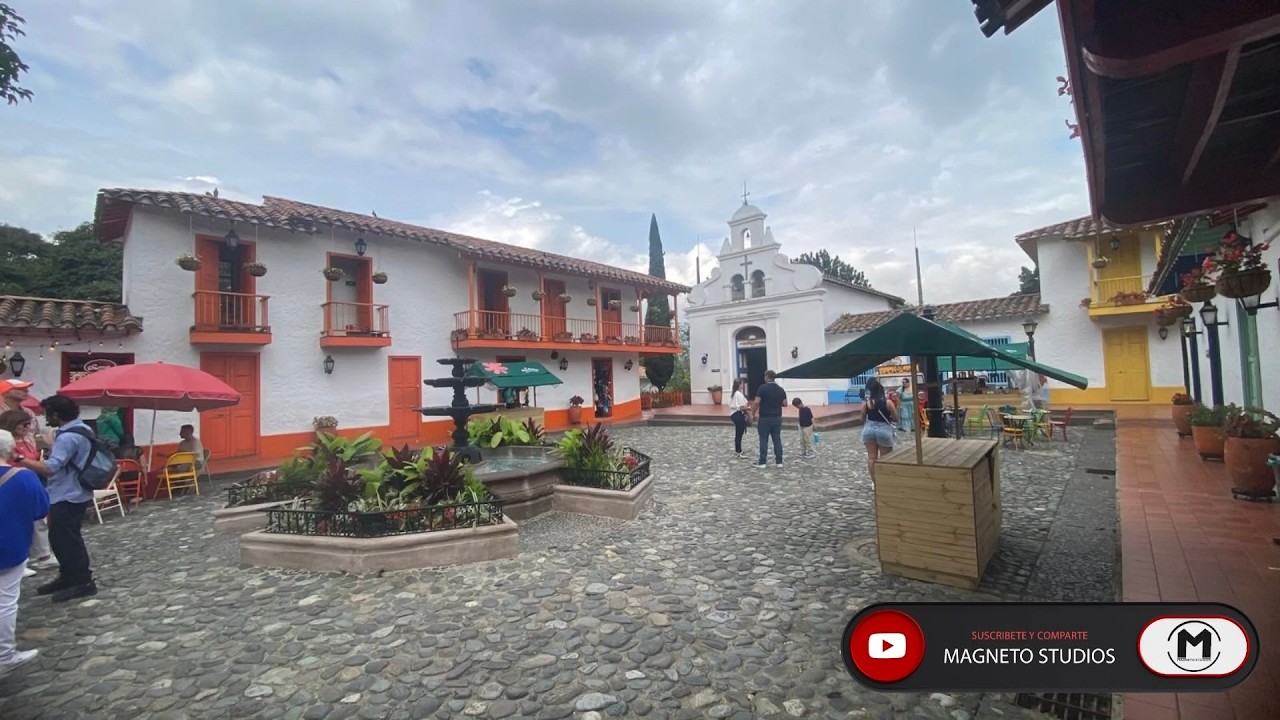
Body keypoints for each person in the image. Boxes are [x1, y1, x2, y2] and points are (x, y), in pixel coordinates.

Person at [16, 394, 97, 603]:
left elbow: (50, 468)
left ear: (56, 414)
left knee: (67, 538)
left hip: (68, 492)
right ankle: (69, 575)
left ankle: (82, 581)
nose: (45, 418)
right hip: (72, 491)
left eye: (47, 414)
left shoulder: (68, 437)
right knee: (60, 538)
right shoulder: (80, 429)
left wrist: (19, 459)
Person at [0, 429, 49, 677]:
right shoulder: (23, 477)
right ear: (10, 450)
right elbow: (41, 509)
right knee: (6, 602)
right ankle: (4, 656)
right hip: (9, 546)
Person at [0, 409, 56, 577]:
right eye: (23, 424)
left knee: (37, 522)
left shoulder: (27, 441)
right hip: (14, 482)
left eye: (29, 424)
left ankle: (41, 553)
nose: (27, 427)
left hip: (30, 480)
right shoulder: (7, 442)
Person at [861, 378, 899, 480]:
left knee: (871, 457)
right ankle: (884, 480)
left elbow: (862, 417)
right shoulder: (888, 402)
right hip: (884, 430)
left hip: (868, 429)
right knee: (885, 458)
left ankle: (874, 481)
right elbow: (896, 418)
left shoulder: (867, 403)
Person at [751, 370, 787, 469]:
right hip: (777, 417)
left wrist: (752, 414)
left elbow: (757, 402)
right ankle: (779, 462)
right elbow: (785, 403)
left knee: (763, 439)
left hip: (765, 418)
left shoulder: (762, 388)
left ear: (767, 377)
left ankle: (762, 462)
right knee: (777, 439)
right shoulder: (780, 389)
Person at [728, 379, 749, 458]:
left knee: (738, 433)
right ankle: (738, 451)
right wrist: (748, 409)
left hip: (734, 414)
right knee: (739, 433)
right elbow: (742, 407)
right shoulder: (738, 394)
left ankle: (738, 449)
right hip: (738, 414)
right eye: (742, 384)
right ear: (740, 384)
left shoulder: (733, 393)